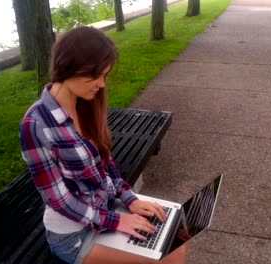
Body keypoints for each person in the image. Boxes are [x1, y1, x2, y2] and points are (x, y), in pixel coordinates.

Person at [19, 26, 188, 264]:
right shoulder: (35, 124)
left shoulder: (86, 105)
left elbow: (106, 163)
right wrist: (117, 221)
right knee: (173, 254)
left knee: (178, 231)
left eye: (104, 76)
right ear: (68, 66)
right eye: (95, 76)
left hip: (106, 209)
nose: (102, 84)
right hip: (74, 235)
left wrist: (130, 199)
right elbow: (58, 200)